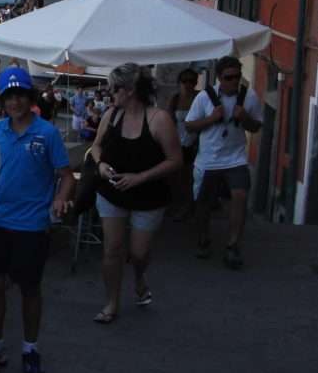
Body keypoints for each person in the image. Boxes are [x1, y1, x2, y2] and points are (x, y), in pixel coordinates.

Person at [0, 67, 75, 373]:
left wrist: (60, 198)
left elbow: (66, 177)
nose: (14, 102)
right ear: (2, 99)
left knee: (29, 289)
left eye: (20, 95)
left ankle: (30, 348)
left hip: (31, 225)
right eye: (9, 96)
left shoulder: (47, 133)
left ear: (30, 97)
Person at [89, 64, 182, 324]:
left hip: (148, 196)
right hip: (112, 192)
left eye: (114, 88)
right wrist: (100, 165)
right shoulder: (111, 115)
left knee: (139, 253)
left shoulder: (158, 119)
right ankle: (111, 303)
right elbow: (96, 146)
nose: (109, 93)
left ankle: (139, 278)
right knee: (112, 249)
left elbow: (175, 160)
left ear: (129, 91)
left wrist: (139, 178)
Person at [185, 56, 263, 269]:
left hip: (235, 158)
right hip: (208, 160)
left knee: (240, 195)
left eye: (237, 77)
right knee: (203, 205)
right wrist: (211, 119)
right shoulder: (204, 98)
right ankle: (203, 239)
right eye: (229, 78)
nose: (234, 82)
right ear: (219, 78)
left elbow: (256, 127)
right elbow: (190, 126)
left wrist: (245, 117)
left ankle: (233, 245)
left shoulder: (249, 97)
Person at [167, 68, 200, 220]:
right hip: (177, 144)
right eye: (184, 81)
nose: (188, 84)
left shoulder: (200, 98)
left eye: (191, 81)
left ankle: (188, 207)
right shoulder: (175, 99)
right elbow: (168, 121)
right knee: (176, 177)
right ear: (179, 83)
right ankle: (177, 206)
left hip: (195, 145)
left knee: (190, 178)